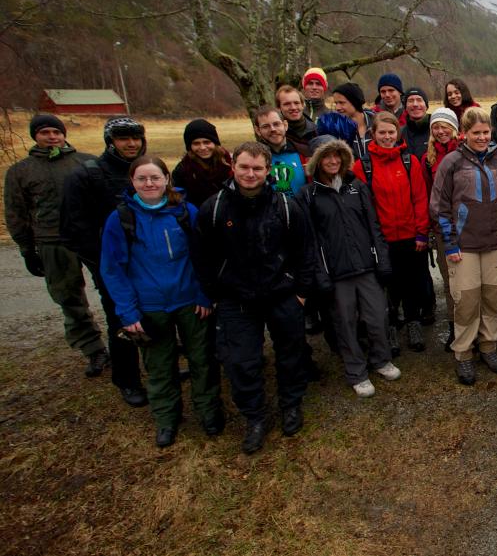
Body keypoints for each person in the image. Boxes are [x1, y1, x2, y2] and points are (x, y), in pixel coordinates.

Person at [195, 142, 317, 453]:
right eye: (245, 167)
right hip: (236, 299)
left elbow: (305, 251)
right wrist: (214, 294)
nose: (251, 174)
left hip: (282, 294)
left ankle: (291, 404)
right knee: (241, 362)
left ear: (267, 171)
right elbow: (202, 257)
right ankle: (256, 417)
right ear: (233, 167)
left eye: (258, 168)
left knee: (291, 353)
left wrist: (301, 292)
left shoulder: (286, 207)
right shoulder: (215, 207)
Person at [100, 156, 221, 447]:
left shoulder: (185, 211)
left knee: (202, 360)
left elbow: (205, 256)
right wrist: (128, 313)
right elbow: (113, 269)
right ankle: (167, 418)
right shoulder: (120, 219)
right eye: (142, 178)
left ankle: (209, 412)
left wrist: (205, 294)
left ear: (166, 179)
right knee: (159, 364)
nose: (149, 183)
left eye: (155, 177)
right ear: (132, 182)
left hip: (191, 300)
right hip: (149, 306)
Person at [5, 114, 105, 376]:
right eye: (45, 132)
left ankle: (124, 337)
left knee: (110, 289)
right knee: (69, 297)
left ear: (63, 134)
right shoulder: (21, 171)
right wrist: (27, 249)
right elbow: (16, 213)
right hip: (52, 240)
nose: (51, 137)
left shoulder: (86, 162)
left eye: (55, 132)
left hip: (91, 236)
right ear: (35, 136)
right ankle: (93, 348)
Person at [299, 139, 400, 398]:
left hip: (366, 266)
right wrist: (320, 274)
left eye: (337, 156)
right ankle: (356, 371)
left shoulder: (357, 187)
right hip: (336, 272)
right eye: (326, 157)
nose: (333, 162)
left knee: (378, 316)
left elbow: (373, 226)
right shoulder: (308, 195)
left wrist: (383, 261)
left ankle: (380, 359)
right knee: (345, 324)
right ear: (317, 161)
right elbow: (309, 239)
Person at [61, 116, 149, 408]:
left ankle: (159, 370)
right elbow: (74, 227)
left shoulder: (145, 171)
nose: (131, 143)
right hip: (109, 263)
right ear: (110, 141)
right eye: (124, 138)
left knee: (151, 315)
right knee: (120, 319)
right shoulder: (88, 175)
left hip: (146, 261)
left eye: (135, 137)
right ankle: (128, 380)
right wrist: (103, 264)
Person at [430, 107, 497, 386]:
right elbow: (439, 207)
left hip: (496, 243)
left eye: (485, 132)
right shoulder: (452, 162)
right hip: (463, 246)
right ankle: (463, 352)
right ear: (464, 133)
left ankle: (488, 346)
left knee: (491, 299)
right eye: (475, 133)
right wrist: (449, 243)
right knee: (466, 301)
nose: (481, 137)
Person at [352, 112, 433, 355]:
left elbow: (420, 198)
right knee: (388, 285)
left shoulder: (410, 162)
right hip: (382, 239)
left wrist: (421, 233)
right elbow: (362, 209)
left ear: (398, 134)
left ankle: (413, 322)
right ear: (372, 134)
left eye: (391, 132)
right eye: (382, 132)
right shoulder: (362, 167)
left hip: (410, 236)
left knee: (412, 282)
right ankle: (391, 326)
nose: (387, 137)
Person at [423, 107, 462, 347]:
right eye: (435, 127)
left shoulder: (465, 152)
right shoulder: (427, 159)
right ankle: (453, 326)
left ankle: (473, 326)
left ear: (455, 129)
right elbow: (427, 194)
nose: (440, 131)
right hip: (442, 227)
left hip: (467, 226)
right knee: (450, 281)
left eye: (444, 126)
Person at [172, 118, 232, 207]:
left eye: (206, 142)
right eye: (196, 143)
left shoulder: (230, 163)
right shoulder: (182, 170)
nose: (203, 147)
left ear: (215, 143)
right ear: (190, 146)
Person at [253, 107, 307, 196]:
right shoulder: (253, 158)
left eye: (276, 124)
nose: (272, 129)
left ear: (285, 125)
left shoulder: (305, 153)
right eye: (265, 126)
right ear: (258, 130)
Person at [331, 82, 375, 161]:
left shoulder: (377, 123)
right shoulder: (336, 130)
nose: (337, 108)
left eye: (341, 103)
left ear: (355, 102)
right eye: (336, 103)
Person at [276, 85, 316, 157]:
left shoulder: (316, 131)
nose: (293, 107)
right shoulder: (275, 134)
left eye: (296, 103)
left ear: (303, 105)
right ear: (279, 108)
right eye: (287, 104)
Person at [400, 87, 431, 158]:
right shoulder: (399, 134)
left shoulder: (437, 131)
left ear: (426, 106)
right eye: (410, 101)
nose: (415, 104)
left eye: (419, 100)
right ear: (405, 107)